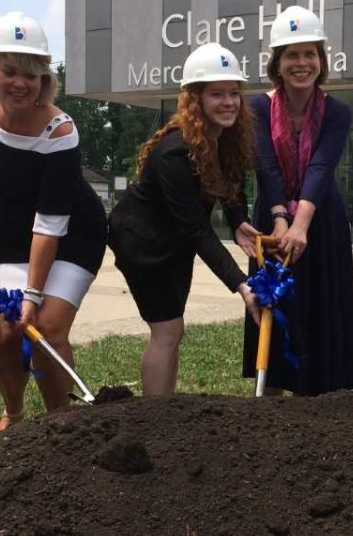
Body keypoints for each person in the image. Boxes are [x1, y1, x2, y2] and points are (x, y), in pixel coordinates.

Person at [0, 12, 108, 428]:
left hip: (74, 233)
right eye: (9, 71)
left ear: (45, 79)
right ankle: (16, 415)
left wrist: (34, 295)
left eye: (31, 74)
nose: (19, 83)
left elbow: (51, 223)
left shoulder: (60, 132)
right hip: (11, 234)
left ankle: (62, 425)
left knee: (46, 329)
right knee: (7, 333)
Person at [109, 43, 261, 395]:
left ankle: (164, 411)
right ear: (195, 99)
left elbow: (230, 181)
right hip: (142, 242)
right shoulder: (175, 151)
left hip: (173, 240)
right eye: (217, 94)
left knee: (172, 329)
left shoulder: (222, 137)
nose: (228, 102)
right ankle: (156, 418)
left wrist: (238, 219)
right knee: (167, 330)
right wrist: (241, 285)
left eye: (234, 94)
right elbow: (197, 229)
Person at [242, 5, 353, 395]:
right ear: (277, 62)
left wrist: (300, 225)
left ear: (321, 60)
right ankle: (270, 394)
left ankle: (319, 401)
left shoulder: (337, 113)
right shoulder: (256, 108)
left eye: (310, 53)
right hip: (271, 224)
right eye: (292, 54)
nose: (302, 62)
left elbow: (321, 167)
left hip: (321, 223)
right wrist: (280, 220)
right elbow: (266, 166)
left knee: (319, 316)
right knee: (274, 310)